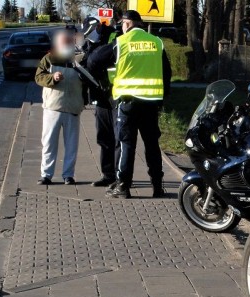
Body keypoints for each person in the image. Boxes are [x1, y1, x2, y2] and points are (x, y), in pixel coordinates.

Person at [88, 10, 172, 199]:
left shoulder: (122, 42)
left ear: (127, 24)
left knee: (126, 144)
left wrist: (106, 78)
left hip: (128, 102)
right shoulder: (156, 42)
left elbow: (93, 60)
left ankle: (123, 186)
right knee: (152, 144)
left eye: (122, 24)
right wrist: (163, 98)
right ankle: (157, 187)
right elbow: (167, 73)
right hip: (151, 102)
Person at [34, 31, 85, 185]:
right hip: (53, 107)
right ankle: (46, 175)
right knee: (49, 143)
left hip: (73, 107)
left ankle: (68, 175)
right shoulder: (49, 58)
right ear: (58, 44)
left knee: (71, 145)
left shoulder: (79, 59)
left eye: (69, 42)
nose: (67, 44)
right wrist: (52, 78)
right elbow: (38, 77)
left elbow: (89, 78)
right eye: (64, 42)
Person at [82, 19, 119, 187]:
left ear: (98, 27)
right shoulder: (90, 42)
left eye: (91, 32)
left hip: (116, 94)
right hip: (101, 96)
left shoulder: (114, 36)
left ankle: (121, 175)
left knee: (119, 137)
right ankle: (108, 175)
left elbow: (103, 60)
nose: (89, 36)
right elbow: (87, 64)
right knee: (104, 137)